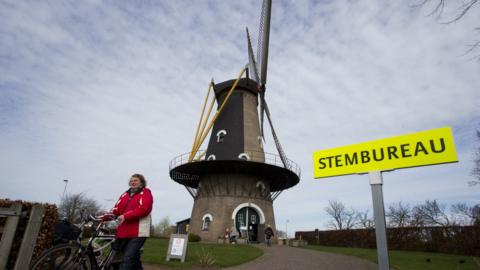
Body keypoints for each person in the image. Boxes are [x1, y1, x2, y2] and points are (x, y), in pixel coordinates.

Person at [111, 173, 153, 270]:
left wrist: (125, 216)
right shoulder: (124, 195)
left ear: (141, 183)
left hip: (138, 232)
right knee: (134, 259)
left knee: (127, 259)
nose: (133, 182)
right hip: (124, 231)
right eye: (131, 181)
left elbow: (145, 209)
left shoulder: (146, 192)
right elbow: (116, 210)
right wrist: (104, 216)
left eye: (135, 180)